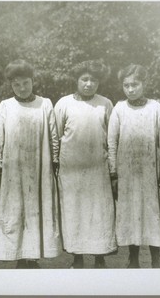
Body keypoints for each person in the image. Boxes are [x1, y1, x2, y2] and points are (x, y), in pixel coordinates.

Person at [0, 59, 61, 268]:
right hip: (13, 169)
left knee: (37, 210)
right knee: (15, 211)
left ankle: (33, 257)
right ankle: (19, 256)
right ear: (11, 85)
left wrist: (55, 162)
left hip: (40, 167)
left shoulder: (45, 103)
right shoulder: (5, 105)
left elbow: (54, 136)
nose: (22, 88)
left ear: (33, 81)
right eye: (16, 84)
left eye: (26, 83)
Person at [107, 64, 160, 268]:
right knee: (130, 214)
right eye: (126, 85)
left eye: (135, 84)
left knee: (153, 213)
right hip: (126, 172)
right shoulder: (119, 109)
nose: (131, 89)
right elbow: (111, 143)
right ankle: (133, 259)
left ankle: (155, 259)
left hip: (151, 171)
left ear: (144, 83)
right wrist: (114, 173)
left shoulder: (156, 108)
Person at [54, 60, 117, 268]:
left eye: (94, 80)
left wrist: (112, 166)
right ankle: (77, 257)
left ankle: (100, 257)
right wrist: (55, 162)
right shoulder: (63, 103)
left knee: (99, 211)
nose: (89, 84)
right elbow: (56, 136)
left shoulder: (106, 103)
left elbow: (112, 136)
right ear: (77, 81)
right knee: (74, 211)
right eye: (85, 79)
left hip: (98, 167)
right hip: (71, 167)